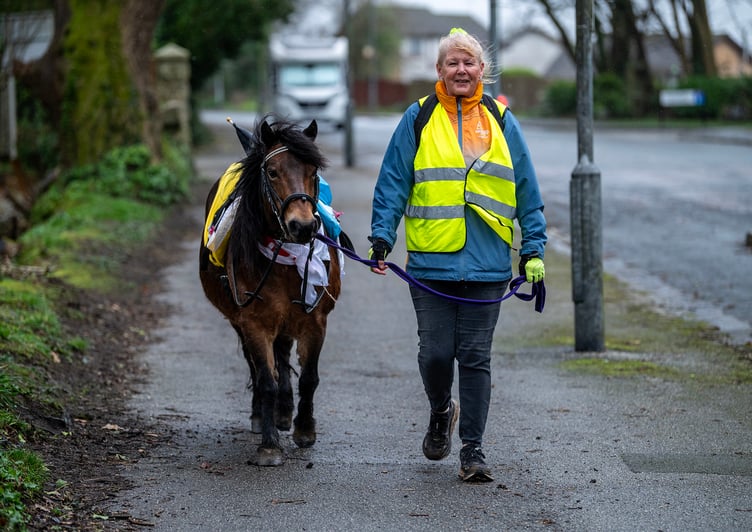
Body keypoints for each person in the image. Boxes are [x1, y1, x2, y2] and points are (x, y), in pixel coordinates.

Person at [368, 28, 547, 482]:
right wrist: (381, 238)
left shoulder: (503, 120)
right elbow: (393, 182)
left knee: (474, 356)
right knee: (434, 353)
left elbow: (526, 187)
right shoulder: (418, 117)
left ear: (481, 70)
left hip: (488, 263)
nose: (461, 70)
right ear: (439, 71)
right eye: (453, 63)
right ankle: (439, 409)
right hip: (431, 262)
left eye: (469, 62)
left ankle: (473, 449)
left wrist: (533, 247)